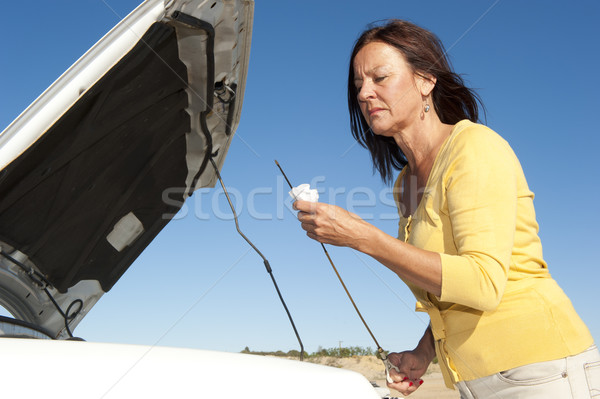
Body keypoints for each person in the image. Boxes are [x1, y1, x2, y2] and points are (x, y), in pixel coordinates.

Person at [293, 20, 599, 398]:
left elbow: (483, 283)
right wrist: (424, 353)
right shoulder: (405, 183)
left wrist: (364, 238)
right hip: (475, 381)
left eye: (380, 78)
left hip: (542, 370)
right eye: (358, 86)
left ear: (425, 80)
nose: (365, 93)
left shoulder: (474, 147)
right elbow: (450, 292)